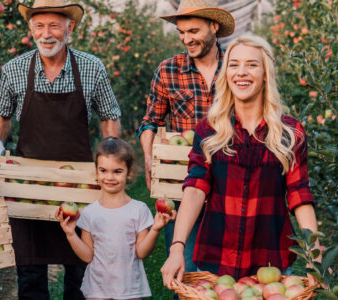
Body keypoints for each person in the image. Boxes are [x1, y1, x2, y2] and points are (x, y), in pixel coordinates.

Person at [160, 34, 321, 287]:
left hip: (270, 261)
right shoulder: (209, 130)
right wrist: (177, 248)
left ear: (266, 73)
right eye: (234, 65)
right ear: (226, 74)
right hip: (216, 257)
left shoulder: (290, 132)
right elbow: (195, 188)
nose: (241, 72)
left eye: (252, 64)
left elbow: (299, 194)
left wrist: (315, 253)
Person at [0, 0, 121, 299]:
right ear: (30, 29)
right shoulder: (15, 69)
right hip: (29, 186)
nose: (46, 33)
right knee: (30, 272)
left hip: (78, 185)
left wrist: (110, 156)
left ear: (69, 28)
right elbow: (1, 114)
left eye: (54, 25)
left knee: (81, 270)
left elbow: (110, 115)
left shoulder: (90, 67)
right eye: (39, 26)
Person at [137, 0, 236, 276]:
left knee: (227, 270)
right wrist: (149, 157)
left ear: (214, 26)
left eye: (193, 31)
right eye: (182, 32)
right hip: (182, 181)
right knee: (184, 265)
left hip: (230, 181)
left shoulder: (236, 68)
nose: (186, 39)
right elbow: (150, 122)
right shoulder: (168, 70)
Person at [56, 137, 175, 300]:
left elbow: (142, 252)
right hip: (97, 290)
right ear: (96, 172)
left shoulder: (138, 210)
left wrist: (155, 229)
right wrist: (71, 234)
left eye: (117, 171)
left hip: (130, 290)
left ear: (129, 172)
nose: (109, 177)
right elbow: (87, 256)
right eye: (103, 170)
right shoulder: (89, 212)